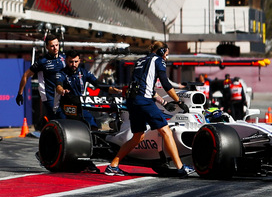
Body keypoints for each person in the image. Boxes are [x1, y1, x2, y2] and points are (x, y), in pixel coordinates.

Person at [104, 41, 196, 177]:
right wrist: (178, 101)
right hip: (144, 101)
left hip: (132, 101)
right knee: (166, 131)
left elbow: (142, 85)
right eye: (166, 54)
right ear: (161, 51)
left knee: (138, 136)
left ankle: (113, 166)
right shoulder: (158, 60)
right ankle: (180, 167)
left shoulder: (140, 61)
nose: (166, 58)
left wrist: (164, 102)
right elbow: (165, 83)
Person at [55, 51, 120, 126]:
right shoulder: (61, 73)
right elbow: (58, 86)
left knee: (93, 125)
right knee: (67, 127)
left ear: (79, 60)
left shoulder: (84, 72)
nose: (73, 64)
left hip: (81, 105)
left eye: (76, 62)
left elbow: (98, 84)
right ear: (66, 60)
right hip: (66, 107)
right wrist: (62, 90)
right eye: (71, 62)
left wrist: (113, 90)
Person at [16, 35, 66, 127]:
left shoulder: (63, 58)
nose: (55, 48)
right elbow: (26, 75)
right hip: (49, 97)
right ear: (47, 47)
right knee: (60, 121)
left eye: (56, 45)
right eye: (52, 46)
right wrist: (20, 93)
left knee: (66, 121)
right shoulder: (42, 62)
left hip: (63, 95)